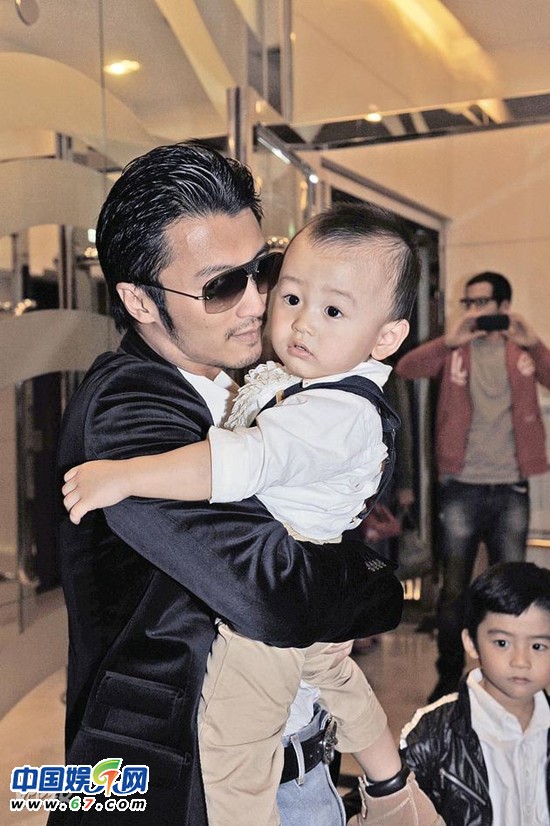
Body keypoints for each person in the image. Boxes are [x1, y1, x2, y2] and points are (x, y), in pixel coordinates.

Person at [50, 143, 408, 826]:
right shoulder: (126, 417)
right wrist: (380, 590)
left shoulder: (258, 381)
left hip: (287, 763)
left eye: (263, 270)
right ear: (139, 300)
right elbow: (276, 593)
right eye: (221, 287)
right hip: (183, 787)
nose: (257, 302)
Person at [396, 271, 550, 702]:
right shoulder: (455, 352)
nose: (473, 311)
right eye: (468, 303)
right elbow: (406, 368)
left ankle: (505, 675)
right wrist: (448, 340)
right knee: (454, 590)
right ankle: (448, 676)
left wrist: (534, 342)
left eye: (481, 303)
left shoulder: (521, 352)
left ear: (503, 307)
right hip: (460, 486)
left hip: (510, 487)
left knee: (511, 590)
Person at [399, 561, 550, 826]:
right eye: (502, 643)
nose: (521, 661)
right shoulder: (432, 734)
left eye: (538, 646)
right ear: (470, 642)